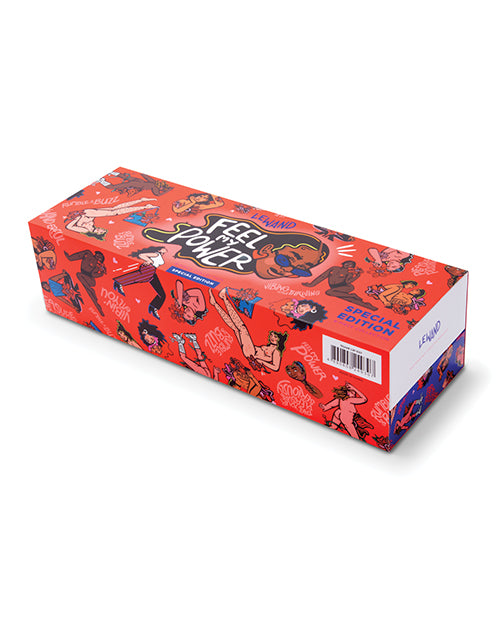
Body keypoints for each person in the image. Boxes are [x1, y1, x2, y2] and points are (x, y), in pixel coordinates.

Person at [209, 287, 287, 372]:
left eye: (275, 337)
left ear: (280, 339)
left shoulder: (276, 352)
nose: (272, 338)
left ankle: (224, 298)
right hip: (249, 350)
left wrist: (262, 362)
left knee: (242, 328)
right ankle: (215, 303)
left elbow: (276, 367)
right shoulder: (269, 346)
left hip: (251, 353)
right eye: (272, 335)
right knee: (235, 329)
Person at [65, 197, 157, 240]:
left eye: (101, 232)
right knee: (114, 211)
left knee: (114, 210)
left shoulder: (85, 230)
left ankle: (141, 201)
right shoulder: (91, 227)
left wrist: (76, 219)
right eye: (102, 231)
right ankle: (143, 204)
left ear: (96, 234)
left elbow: (68, 227)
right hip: (88, 214)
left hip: (85, 214)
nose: (101, 229)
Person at [113, 247, 167, 319]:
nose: (164, 252)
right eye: (162, 250)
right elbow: (141, 255)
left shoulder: (159, 255)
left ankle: (153, 307)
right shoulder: (156, 254)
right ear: (159, 250)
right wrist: (149, 260)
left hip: (152, 271)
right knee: (136, 277)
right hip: (148, 269)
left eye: (164, 252)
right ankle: (118, 282)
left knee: (162, 294)